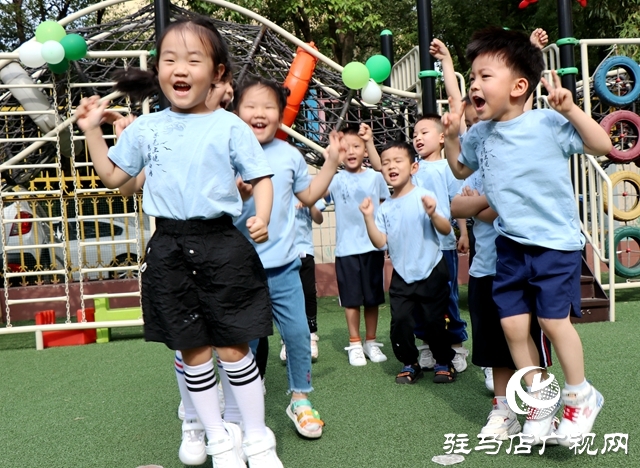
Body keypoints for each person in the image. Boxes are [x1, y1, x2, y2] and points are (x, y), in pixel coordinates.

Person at [75, 17, 284, 468]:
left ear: (218, 72)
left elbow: (261, 178)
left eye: (193, 59)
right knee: (192, 349)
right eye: (169, 59)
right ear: (158, 70)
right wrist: (92, 129)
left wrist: (262, 216)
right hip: (169, 245)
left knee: (233, 347)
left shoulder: (230, 126)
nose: (180, 68)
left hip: (222, 245)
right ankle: (217, 441)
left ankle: (256, 441)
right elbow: (114, 177)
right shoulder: (147, 129)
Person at [443, 27, 612, 445]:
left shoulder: (547, 122)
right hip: (511, 247)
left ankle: (581, 395)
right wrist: (449, 138)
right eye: (472, 76)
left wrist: (572, 110)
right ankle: (539, 402)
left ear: (519, 87)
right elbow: (459, 170)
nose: (475, 85)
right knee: (514, 327)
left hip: (554, 244)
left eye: (485, 76)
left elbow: (602, 144)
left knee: (553, 322)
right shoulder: (480, 134)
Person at [231, 76, 342, 439]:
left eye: (269, 107)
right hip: (238, 271)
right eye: (251, 106)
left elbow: (309, 197)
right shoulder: (225, 153)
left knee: (296, 335)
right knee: (245, 341)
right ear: (236, 111)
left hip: (283, 268)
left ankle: (300, 400)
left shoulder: (289, 155)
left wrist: (330, 163)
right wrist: (235, 194)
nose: (259, 113)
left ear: (281, 116)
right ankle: (244, 397)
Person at [451, 176, 553, 441]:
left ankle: (541, 410)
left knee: (527, 339)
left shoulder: (518, 159)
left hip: (523, 267)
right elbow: (457, 207)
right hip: (485, 267)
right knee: (495, 345)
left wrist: (477, 203)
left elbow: (508, 208)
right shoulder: (474, 164)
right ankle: (503, 409)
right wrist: (478, 205)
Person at [360, 141, 457, 384]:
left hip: (431, 270)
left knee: (435, 322)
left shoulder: (424, 196)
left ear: (413, 167)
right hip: (402, 275)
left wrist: (434, 214)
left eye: (397, 160)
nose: (391, 166)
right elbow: (380, 242)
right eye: (386, 163)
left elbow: (445, 230)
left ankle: (444, 362)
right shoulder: (385, 208)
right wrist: (368, 218)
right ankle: (409, 362)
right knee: (400, 322)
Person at [410, 112, 469, 372]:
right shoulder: (410, 168)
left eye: (424, 132)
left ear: (442, 137)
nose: (418, 138)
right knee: (417, 299)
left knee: (448, 298)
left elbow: (457, 204)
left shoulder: (448, 168)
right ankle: (426, 345)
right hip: (415, 248)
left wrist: (464, 233)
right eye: (414, 135)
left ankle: (456, 346)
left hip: (443, 245)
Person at [329, 123, 390, 366]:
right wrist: (307, 204)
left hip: (373, 248)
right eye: (345, 148)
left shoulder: (375, 178)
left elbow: (386, 201)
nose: (351, 152)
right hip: (346, 250)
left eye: (357, 146)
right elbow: (316, 198)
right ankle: (354, 343)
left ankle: (371, 341)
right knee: (352, 299)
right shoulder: (334, 180)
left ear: (365, 150)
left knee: (373, 298)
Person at [279, 196, 326, 362]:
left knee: (308, 293)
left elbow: (319, 219)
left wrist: (311, 203)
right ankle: (287, 340)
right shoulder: (275, 190)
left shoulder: (307, 192)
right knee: (286, 298)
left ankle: (311, 335)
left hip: (304, 252)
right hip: (282, 254)